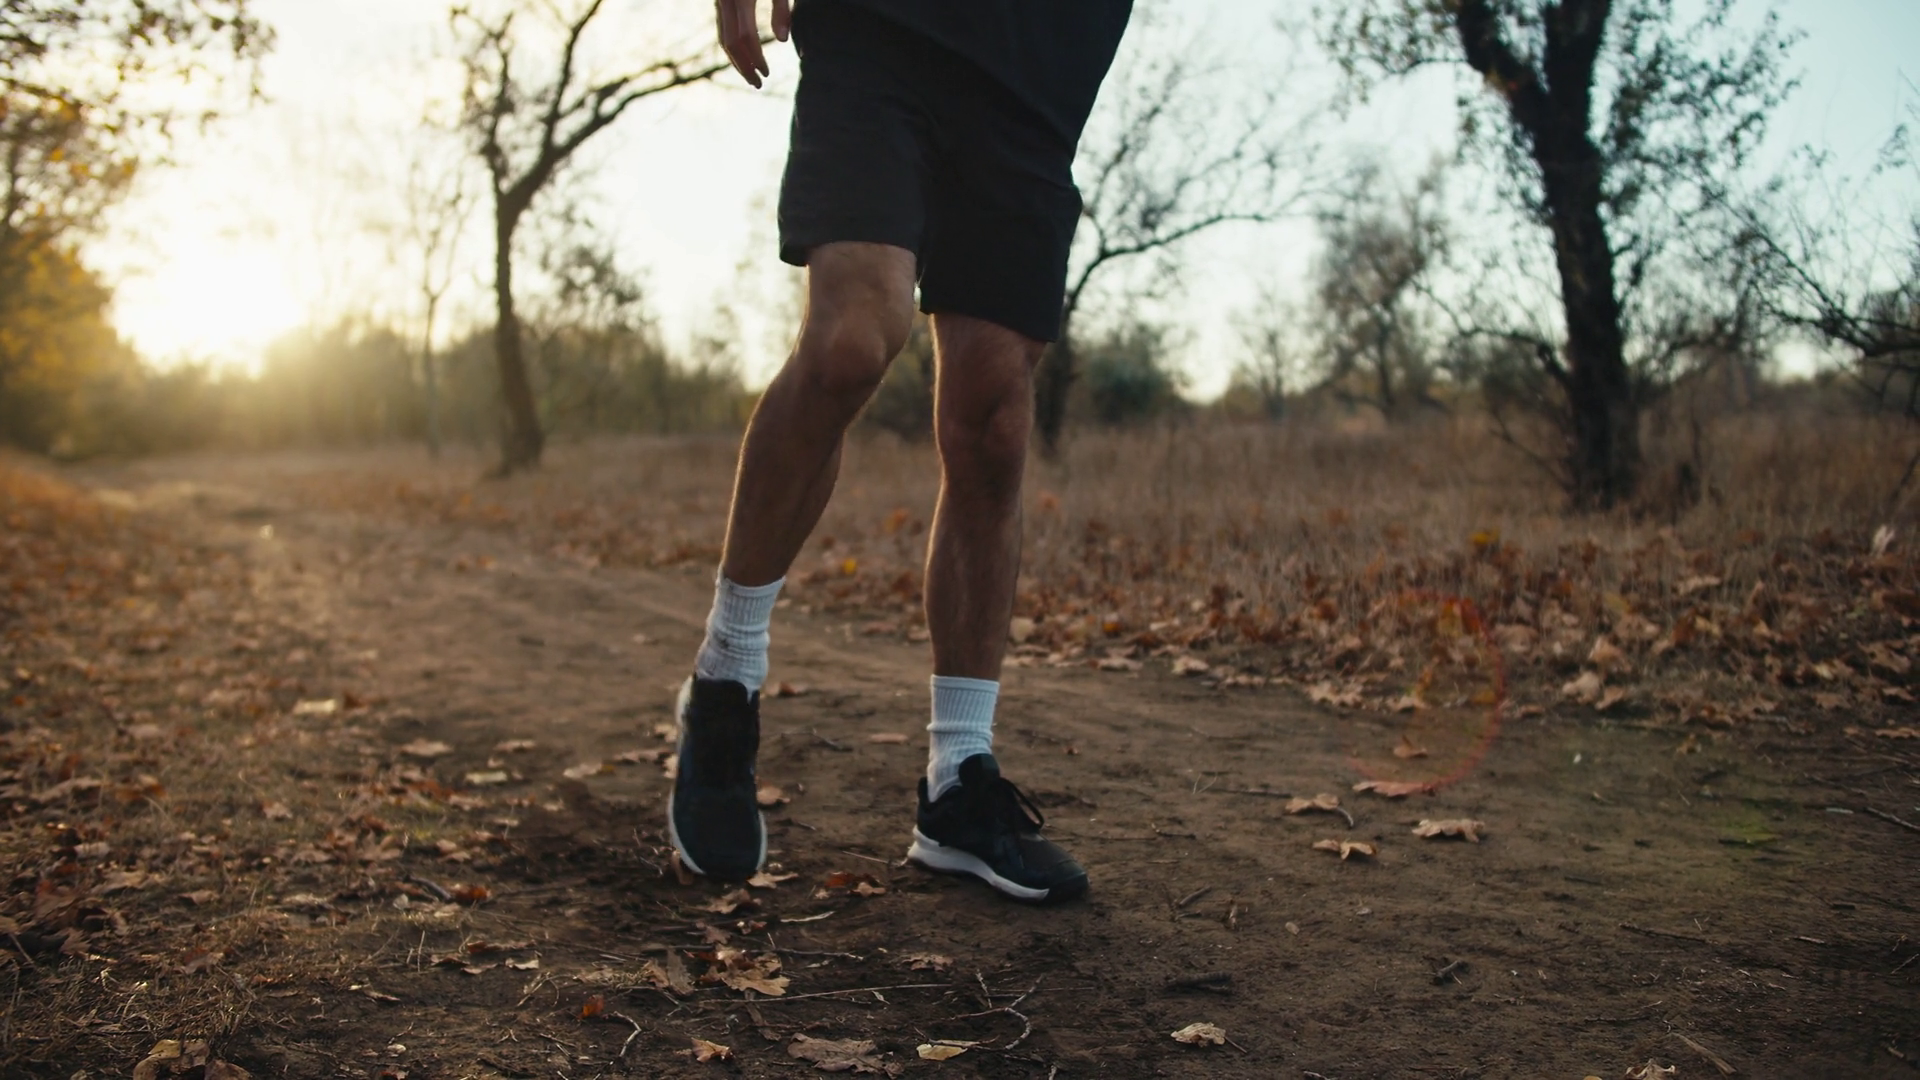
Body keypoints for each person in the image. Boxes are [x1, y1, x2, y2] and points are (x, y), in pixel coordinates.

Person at [669, 0, 1133, 903]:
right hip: (881, 28)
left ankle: (958, 779)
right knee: (852, 337)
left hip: (1040, 62)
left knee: (994, 421)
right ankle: (726, 674)